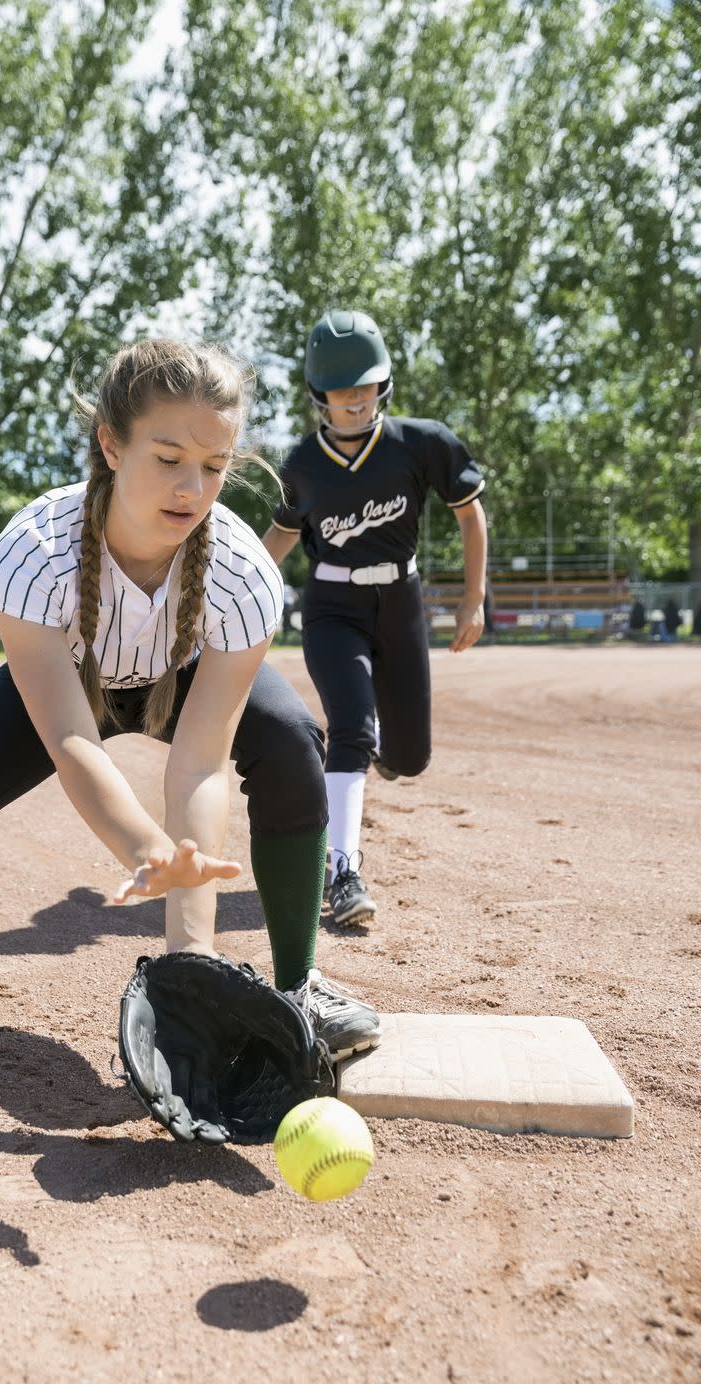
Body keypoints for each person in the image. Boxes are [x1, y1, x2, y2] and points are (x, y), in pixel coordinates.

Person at [0, 339, 381, 1063]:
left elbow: (201, 766)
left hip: (180, 676)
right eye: (168, 457)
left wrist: (191, 959)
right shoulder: (33, 550)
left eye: (214, 467)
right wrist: (147, 851)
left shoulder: (244, 572)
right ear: (111, 444)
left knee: (290, 740)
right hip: (75, 678)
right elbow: (71, 741)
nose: (192, 487)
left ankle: (299, 985)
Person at [262, 309, 488, 926]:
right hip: (332, 606)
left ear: (384, 383)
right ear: (318, 397)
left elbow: (470, 514)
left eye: (364, 385)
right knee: (354, 729)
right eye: (341, 390)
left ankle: (376, 757)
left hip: (403, 601)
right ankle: (342, 871)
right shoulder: (303, 464)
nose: (354, 400)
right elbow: (278, 543)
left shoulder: (422, 444)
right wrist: (235, 588)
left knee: (410, 758)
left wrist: (474, 596)